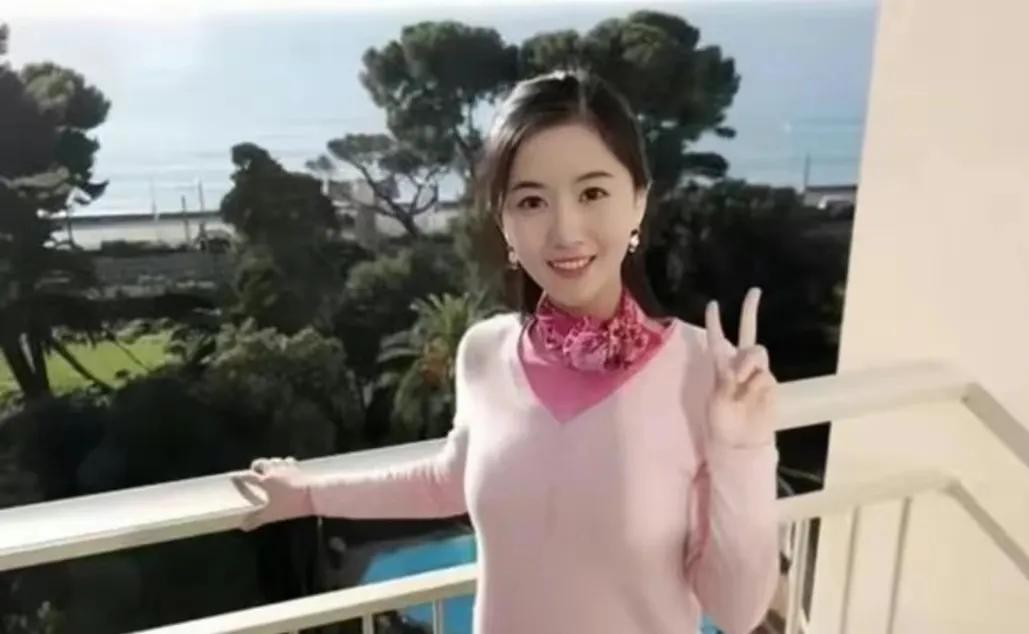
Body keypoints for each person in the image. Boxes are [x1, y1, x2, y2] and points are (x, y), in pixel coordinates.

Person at [235, 70, 779, 634]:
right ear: (504, 221)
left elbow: (737, 613)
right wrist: (305, 494)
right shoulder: (484, 352)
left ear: (638, 202)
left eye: (592, 193)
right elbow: (445, 480)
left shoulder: (702, 370)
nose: (565, 230)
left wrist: (743, 449)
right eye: (532, 201)